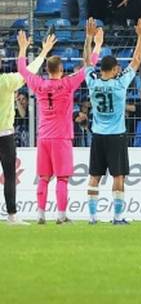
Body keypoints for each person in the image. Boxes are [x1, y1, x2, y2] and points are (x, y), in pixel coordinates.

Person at [20, 21, 103, 224]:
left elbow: (23, 70)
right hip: (61, 137)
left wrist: (23, 49)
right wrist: (97, 44)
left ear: (47, 70)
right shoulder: (67, 84)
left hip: (44, 137)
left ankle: (40, 214)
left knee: (43, 178)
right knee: (62, 178)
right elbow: (89, 67)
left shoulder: (39, 84)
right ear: (62, 70)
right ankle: (61, 215)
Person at [84, 18, 141, 225]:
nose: (119, 70)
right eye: (117, 68)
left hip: (98, 136)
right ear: (112, 70)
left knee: (94, 176)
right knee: (118, 176)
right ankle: (118, 217)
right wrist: (140, 36)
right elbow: (136, 60)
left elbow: (86, 62)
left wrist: (90, 39)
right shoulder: (120, 83)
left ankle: (93, 217)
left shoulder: (92, 82)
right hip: (116, 135)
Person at [4, 31, 58, 224]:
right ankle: (11, 215)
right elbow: (28, 72)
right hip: (5, 135)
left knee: (10, 175)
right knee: (9, 176)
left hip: (7, 134)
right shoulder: (6, 81)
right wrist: (42, 52)